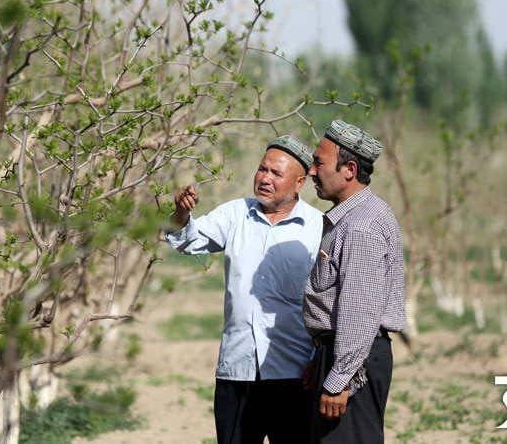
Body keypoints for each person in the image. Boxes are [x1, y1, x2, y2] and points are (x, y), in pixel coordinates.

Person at [165, 134, 323, 443]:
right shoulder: (235, 214)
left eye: (276, 173)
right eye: (262, 169)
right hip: (236, 371)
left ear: (299, 182)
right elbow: (185, 240)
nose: (265, 178)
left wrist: (317, 361)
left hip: (294, 375)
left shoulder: (319, 227)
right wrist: (182, 212)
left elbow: (328, 302)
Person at [302, 120, 405, 443]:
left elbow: (359, 313)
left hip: (352, 360)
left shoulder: (360, 227)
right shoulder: (354, 216)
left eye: (319, 163)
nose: (311, 172)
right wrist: (319, 360)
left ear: (349, 169)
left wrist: (338, 379)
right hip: (341, 356)